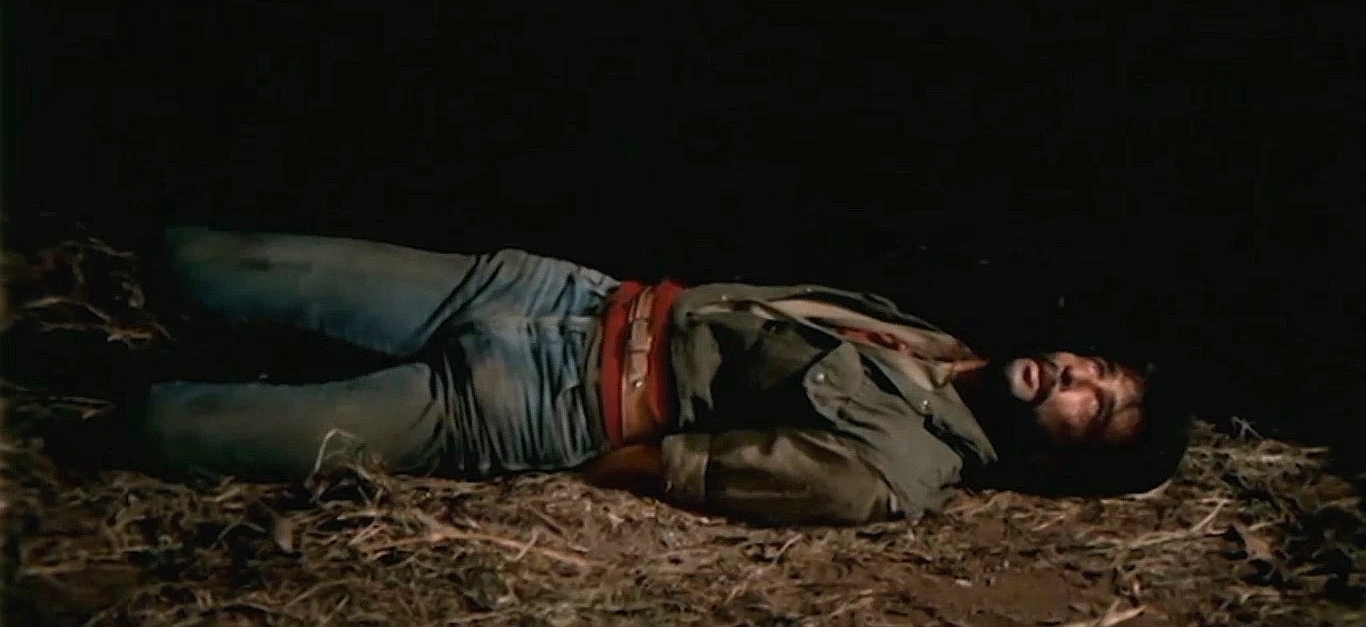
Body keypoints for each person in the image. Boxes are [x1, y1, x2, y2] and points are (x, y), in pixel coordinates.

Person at [90, 227, 1191, 525]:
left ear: (1057, 459)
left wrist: (558, 438)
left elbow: (683, 467)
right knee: (214, 261)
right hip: (551, 294)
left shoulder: (901, 472)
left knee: (179, 429)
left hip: (530, 401)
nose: (1081, 375)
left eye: (1096, 409)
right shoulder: (931, 339)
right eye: (1100, 368)